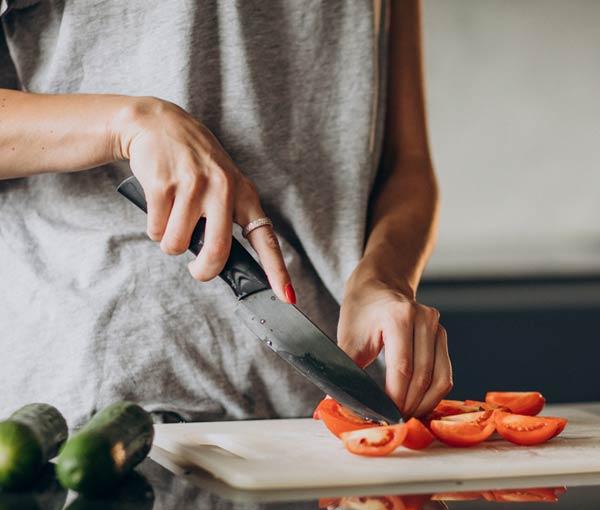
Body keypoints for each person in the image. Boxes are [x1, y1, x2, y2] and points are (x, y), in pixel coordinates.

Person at [0, 0, 452, 425]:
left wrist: (383, 278)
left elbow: (406, 166)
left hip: (322, 403)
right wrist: (128, 123)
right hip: (104, 401)